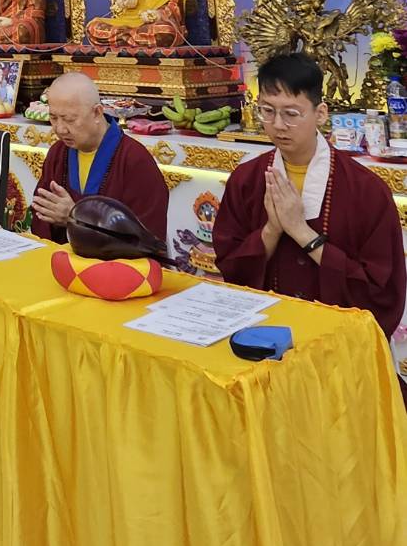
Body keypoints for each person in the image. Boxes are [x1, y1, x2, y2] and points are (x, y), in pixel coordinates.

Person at [213, 53, 406, 342]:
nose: (278, 125)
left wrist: (301, 232)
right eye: (267, 111)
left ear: (321, 113)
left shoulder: (366, 190)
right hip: (265, 338)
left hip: (338, 344)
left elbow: (381, 292)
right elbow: (231, 269)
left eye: (291, 114)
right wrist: (272, 229)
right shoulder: (247, 180)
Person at [29, 73, 169, 244]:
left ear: (97, 112)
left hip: (116, 260)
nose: (60, 129)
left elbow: (147, 238)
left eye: (69, 120)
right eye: (53, 118)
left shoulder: (135, 160)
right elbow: (41, 213)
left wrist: (76, 218)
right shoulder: (58, 153)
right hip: (62, 257)